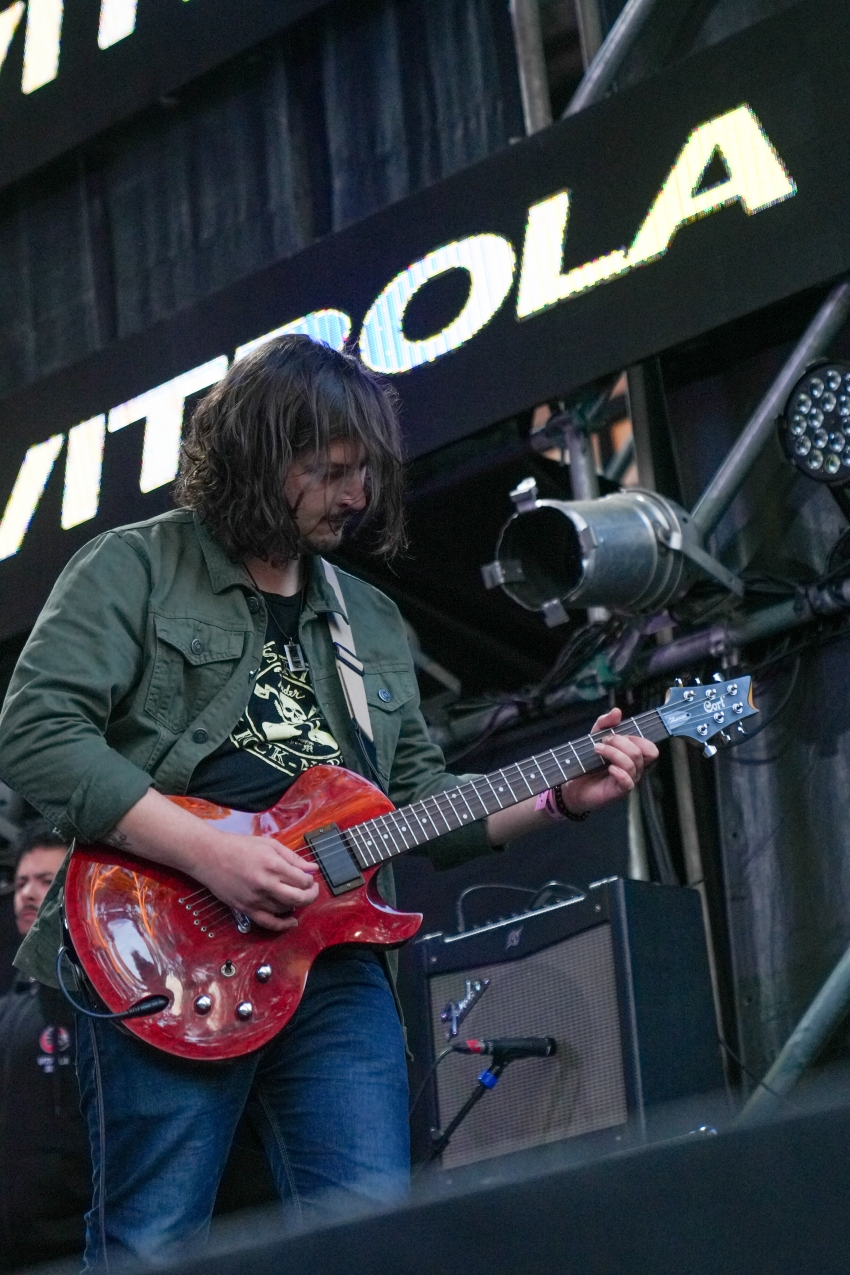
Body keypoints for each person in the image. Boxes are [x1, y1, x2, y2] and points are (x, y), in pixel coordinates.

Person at [0, 335, 657, 1266]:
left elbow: (420, 800)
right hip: (161, 946)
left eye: (365, 474)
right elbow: (34, 733)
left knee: (373, 1230)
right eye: (330, 470)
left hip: (332, 967)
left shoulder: (369, 619)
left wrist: (559, 797)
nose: (355, 496)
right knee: (154, 1240)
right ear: (259, 455)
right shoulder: (133, 567)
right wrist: (210, 854)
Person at [0, 824, 90, 1271]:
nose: (28, 894)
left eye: (44, 880)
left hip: (86, 1246)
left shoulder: (101, 1002)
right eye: (20, 883)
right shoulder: (11, 1005)